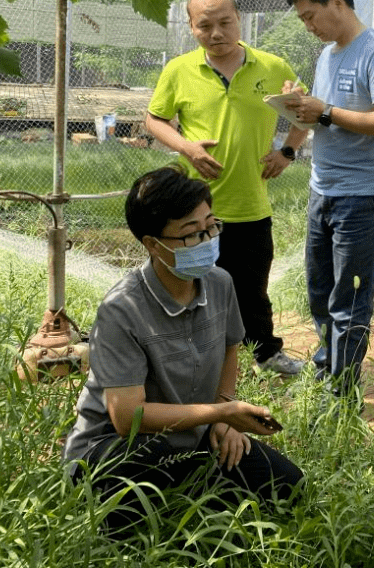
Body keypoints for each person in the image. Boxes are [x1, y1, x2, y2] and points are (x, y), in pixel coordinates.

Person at [62, 166, 303, 534]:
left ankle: (196, 491)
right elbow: (128, 418)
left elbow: (229, 349)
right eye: (191, 234)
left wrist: (223, 420)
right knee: (146, 485)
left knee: (289, 487)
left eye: (211, 226)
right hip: (115, 447)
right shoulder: (122, 309)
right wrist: (221, 411)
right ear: (153, 245)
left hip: (192, 438)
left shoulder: (220, 283)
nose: (207, 241)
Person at [146, 0, 307, 375]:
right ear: (191, 27)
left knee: (253, 288)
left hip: (251, 203)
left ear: (239, 19)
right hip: (196, 209)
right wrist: (187, 148)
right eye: (205, 25)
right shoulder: (179, 70)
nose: (216, 33)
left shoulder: (272, 66)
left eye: (224, 22)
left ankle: (266, 354)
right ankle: (194, 356)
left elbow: (303, 109)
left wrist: (286, 152)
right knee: (192, 284)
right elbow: (153, 120)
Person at [278, 0, 374, 403]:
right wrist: (300, 106)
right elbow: (322, 113)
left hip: (361, 195)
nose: (308, 26)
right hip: (322, 188)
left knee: (350, 299)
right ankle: (327, 368)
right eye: (303, 20)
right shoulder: (327, 55)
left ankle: (341, 393)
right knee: (319, 290)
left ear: (338, 2)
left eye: (311, 16)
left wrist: (324, 111)